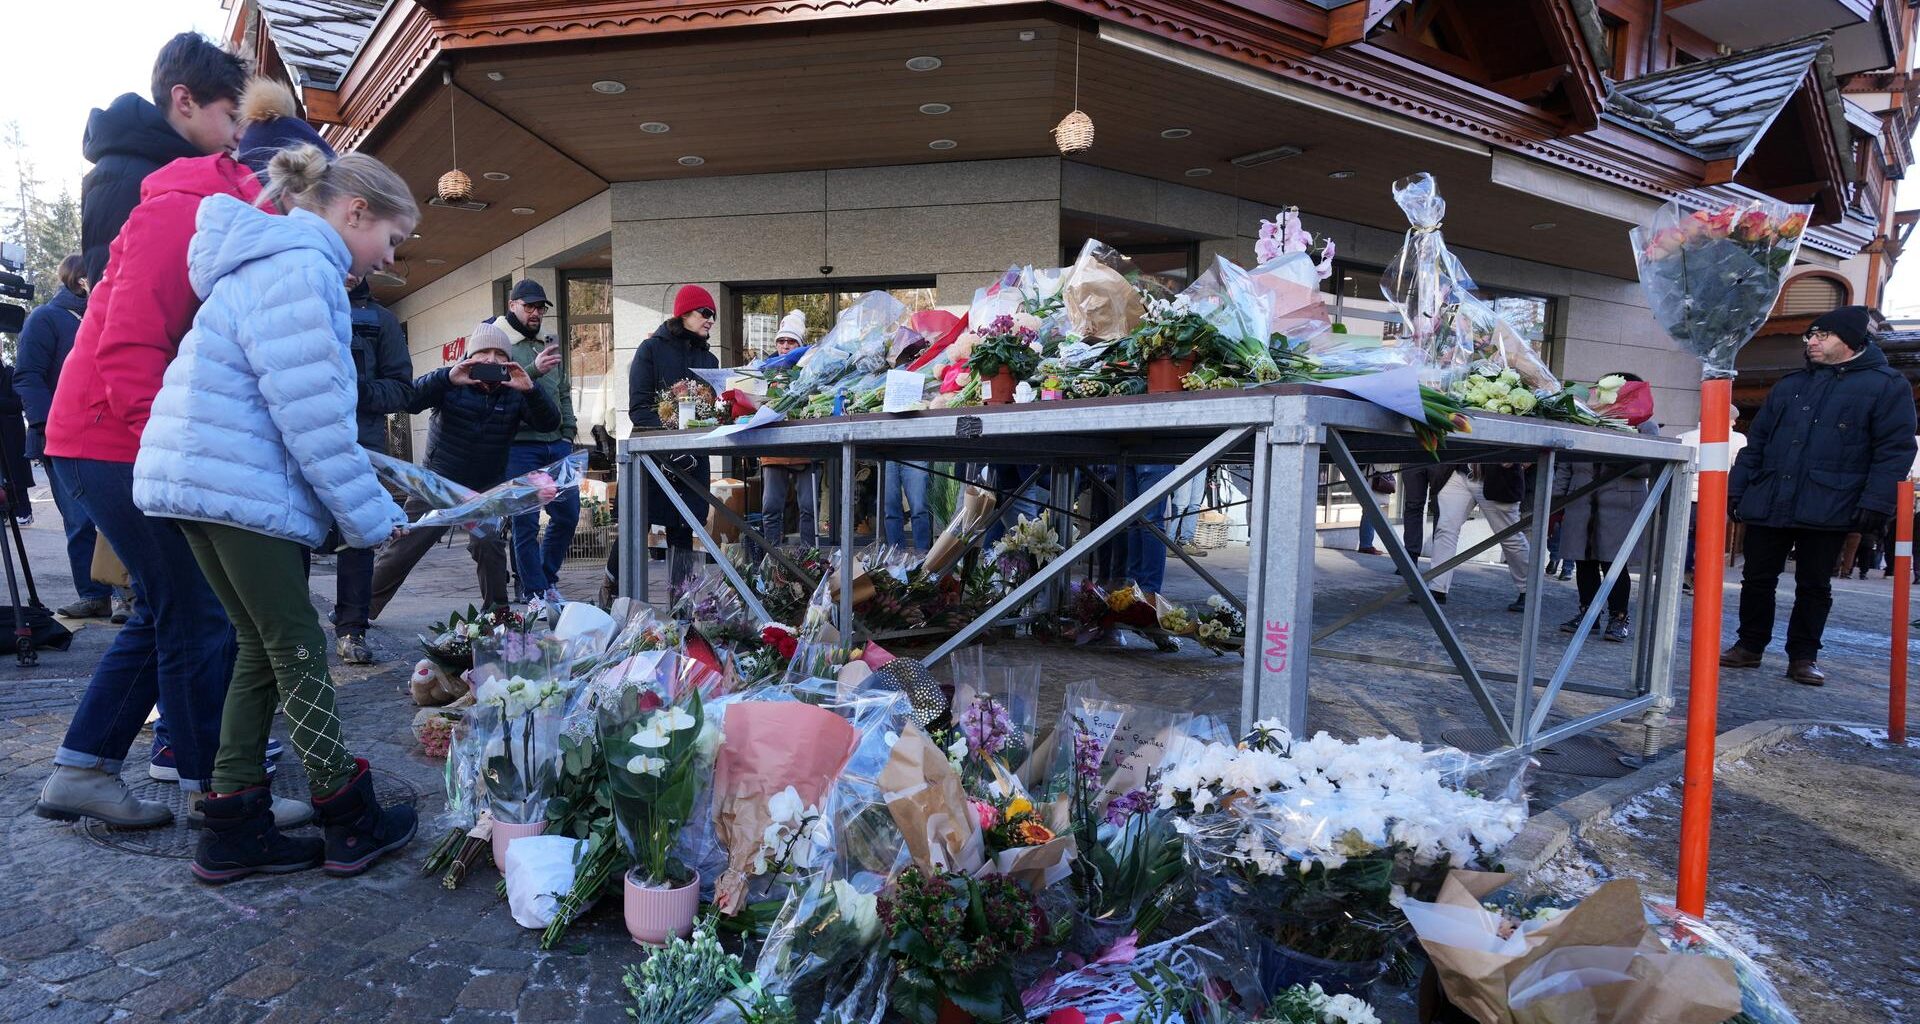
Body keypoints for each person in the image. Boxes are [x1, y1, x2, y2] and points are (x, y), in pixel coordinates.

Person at [134, 144, 418, 883]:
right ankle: (347, 817)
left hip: (199, 479)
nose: (389, 261)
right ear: (355, 211)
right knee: (297, 644)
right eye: (391, 240)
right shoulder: (302, 270)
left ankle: (231, 825)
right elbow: (316, 415)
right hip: (235, 484)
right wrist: (369, 513)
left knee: (261, 646)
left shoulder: (267, 262)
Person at [34, 79, 305, 830]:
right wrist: (178, 448)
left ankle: (82, 769)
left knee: (165, 609)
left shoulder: (217, 206)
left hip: (114, 436)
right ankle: (216, 791)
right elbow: (127, 343)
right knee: (200, 610)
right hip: (112, 437)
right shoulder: (185, 206)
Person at [1723, 307, 1917, 685]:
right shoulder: (1791, 384)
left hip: (1832, 501)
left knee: (1814, 584)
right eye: (1809, 336)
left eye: (1822, 335)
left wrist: (1876, 502)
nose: (1811, 341)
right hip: (1771, 496)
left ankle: (1803, 656)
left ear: (1850, 341)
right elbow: (1757, 442)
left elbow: (1894, 450)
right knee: (1757, 577)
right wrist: (1738, 488)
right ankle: (1749, 645)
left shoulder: (1886, 385)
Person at [369, 321, 560, 617]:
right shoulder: (452, 382)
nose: (491, 360)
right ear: (470, 355)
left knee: (491, 547)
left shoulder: (514, 390)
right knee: (403, 547)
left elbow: (549, 424)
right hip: (437, 482)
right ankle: (360, 611)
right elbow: (409, 400)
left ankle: (498, 619)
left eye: (499, 354)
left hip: (484, 487)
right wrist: (446, 377)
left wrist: (531, 389)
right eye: (484, 352)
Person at [81, 32, 247, 286]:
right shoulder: (124, 176)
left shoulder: (183, 172)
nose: (239, 135)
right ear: (185, 101)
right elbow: (117, 301)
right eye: (232, 117)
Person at [12, 255, 118, 619]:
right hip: (62, 437)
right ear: (79, 278)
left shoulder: (109, 312)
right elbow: (27, 376)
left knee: (120, 518)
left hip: (111, 431)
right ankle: (93, 596)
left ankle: (133, 598)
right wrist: (44, 426)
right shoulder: (47, 318)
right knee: (80, 520)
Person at [332, 277, 413, 664]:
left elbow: (402, 389)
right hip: (296, 441)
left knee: (358, 538)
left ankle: (352, 630)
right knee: (291, 540)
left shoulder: (381, 320)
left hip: (360, 446)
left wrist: (357, 390)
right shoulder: (298, 301)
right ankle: (289, 644)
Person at [1556, 375, 1662, 643]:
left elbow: (1648, 468)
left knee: (1613, 563)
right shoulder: (1586, 417)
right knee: (1583, 560)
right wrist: (1556, 500)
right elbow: (1567, 461)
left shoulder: (1644, 424)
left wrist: (1619, 443)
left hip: (1620, 503)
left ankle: (1619, 617)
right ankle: (1588, 614)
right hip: (1581, 500)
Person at [491, 280, 578, 604]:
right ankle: (535, 591)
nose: (536, 313)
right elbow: (493, 384)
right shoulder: (498, 340)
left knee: (567, 514)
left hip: (557, 444)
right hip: (519, 446)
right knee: (524, 522)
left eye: (540, 308)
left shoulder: (547, 344)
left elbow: (564, 391)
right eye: (529, 306)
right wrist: (533, 369)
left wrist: (568, 433)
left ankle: (544, 579)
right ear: (512, 304)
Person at [627, 285, 719, 590]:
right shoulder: (650, 349)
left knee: (684, 527)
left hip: (693, 458)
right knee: (636, 526)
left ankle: (681, 606)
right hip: (654, 458)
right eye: (705, 313)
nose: (710, 321)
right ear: (684, 313)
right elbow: (639, 409)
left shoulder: (711, 362)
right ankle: (614, 585)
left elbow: (714, 413)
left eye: (714, 316)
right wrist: (668, 446)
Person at [1423, 464, 1531, 610]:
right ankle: (1437, 588)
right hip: (1459, 472)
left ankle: (1529, 591)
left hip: (1496, 475)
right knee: (1445, 528)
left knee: (1510, 537)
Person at [756, 312, 817, 549]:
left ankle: (809, 558)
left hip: (804, 447)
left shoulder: (811, 367)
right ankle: (772, 560)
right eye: (781, 341)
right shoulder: (764, 370)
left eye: (791, 342)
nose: (784, 346)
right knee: (771, 507)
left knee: (809, 508)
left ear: (800, 344)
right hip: (774, 447)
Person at [1676, 404, 1747, 594]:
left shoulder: (1684, 436)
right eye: (1732, 418)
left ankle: (1683, 576)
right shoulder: (1736, 439)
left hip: (1686, 495)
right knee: (1708, 541)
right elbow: (1739, 466)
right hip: (1714, 498)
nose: (1734, 422)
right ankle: (1702, 580)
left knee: (1685, 538)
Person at [1170, 467, 1209, 557]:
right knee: (1180, 503)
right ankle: (1168, 542)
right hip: (1185, 458)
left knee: (1195, 504)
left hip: (1203, 459)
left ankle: (1186, 542)